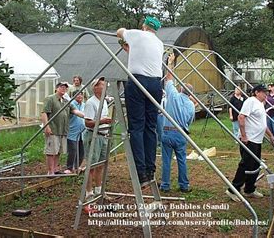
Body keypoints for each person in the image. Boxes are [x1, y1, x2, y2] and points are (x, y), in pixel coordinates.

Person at [117, 16, 164, 185]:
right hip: (156, 84)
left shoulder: (137, 34)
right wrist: (131, 50)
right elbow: (145, 57)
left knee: (137, 127)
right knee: (150, 127)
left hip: (138, 81)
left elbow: (119, 32)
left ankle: (141, 172)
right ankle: (150, 170)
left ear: (144, 26)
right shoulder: (159, 43)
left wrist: (125, 35)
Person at [225, 84, 274, 201]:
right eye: (264, 92)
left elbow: (262, 123)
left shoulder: (260, 104)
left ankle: (249, 189)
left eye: (267, 93)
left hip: (257, 139)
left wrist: (271, 135)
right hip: (249, 139)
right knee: (246, 164)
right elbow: (241, 117)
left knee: (255, 165)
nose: (266, 95)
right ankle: (233, 189)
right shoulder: (251, 101)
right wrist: (244, 136)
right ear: (257, 92)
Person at [159, 54, 196, 193]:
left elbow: (169, 78)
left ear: (181, 89)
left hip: (168, 131)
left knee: (166, 160)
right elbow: (189, 121)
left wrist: (170, 63)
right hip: (181, 133)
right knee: (182, 160)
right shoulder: (192, 105)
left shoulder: (173, 95)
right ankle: (184, 185)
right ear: (191, 93)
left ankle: (165, 185)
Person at [41, 81, 85, 175]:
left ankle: (56, 169)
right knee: (51, 151)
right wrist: (46, 126)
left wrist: (89, 117)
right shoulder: (51, 99)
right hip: (53, 129)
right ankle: (50, 171)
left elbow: (75, 111)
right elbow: (44, 112)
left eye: (65, 88)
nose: (63, 89)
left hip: (63, 131)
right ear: (57, 88)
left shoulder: (65, 101)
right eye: (61, 87)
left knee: (58, 151)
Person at [83, 76, 112, 213]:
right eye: (101, 84)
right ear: (95, 88)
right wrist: (102, 121)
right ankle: (89, 194)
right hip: (93, 136)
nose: (105, 85)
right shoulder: (91, 103)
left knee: (100, 165)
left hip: (103, 135)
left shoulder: (103, 101)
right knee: (91, 166)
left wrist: (105, 122)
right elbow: (87, 122)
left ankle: (99, 191)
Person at [65, 90, 86, 174]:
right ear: (74, 96)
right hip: (72, 131)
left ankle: (77, 167)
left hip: (83, 132)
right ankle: (70, 167)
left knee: (82, 151)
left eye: (81, 95)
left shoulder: (84, 105)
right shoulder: (71, 104)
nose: (80, 97)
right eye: (78, 95)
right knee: (73, 150)